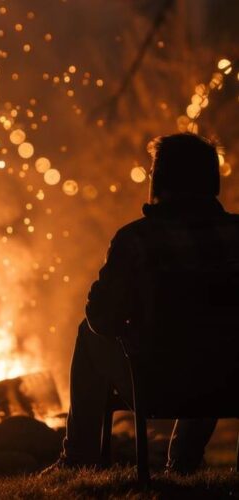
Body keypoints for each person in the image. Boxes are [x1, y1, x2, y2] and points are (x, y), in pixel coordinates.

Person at [45, 133, 239, 474]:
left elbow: (101, 320)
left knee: (88, 335)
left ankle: (78, 458)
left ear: (159, 181)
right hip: (232, 383)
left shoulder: (136, 239)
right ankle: (183, 461)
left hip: (159, 385)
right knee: (215, 343)